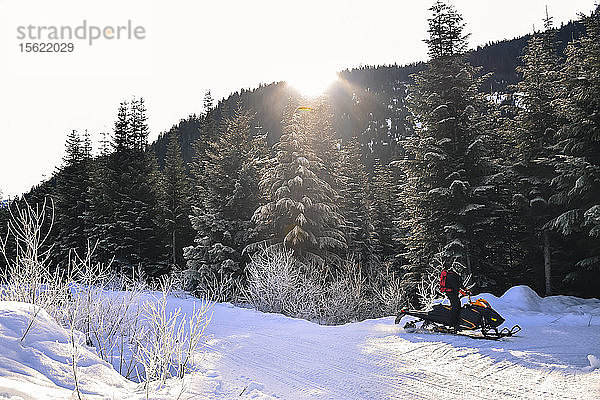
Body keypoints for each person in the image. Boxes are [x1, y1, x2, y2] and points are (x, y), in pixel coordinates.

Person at [439, 260, 468, 331]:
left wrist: (465, 289)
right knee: (456, 306)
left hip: (453, 292)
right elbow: (455, 285)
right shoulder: (451, 275)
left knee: (457, 305)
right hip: (451, 292)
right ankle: (453, 323)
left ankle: (456, 322)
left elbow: (459, 284)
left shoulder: (455, 275)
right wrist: (461, 291)